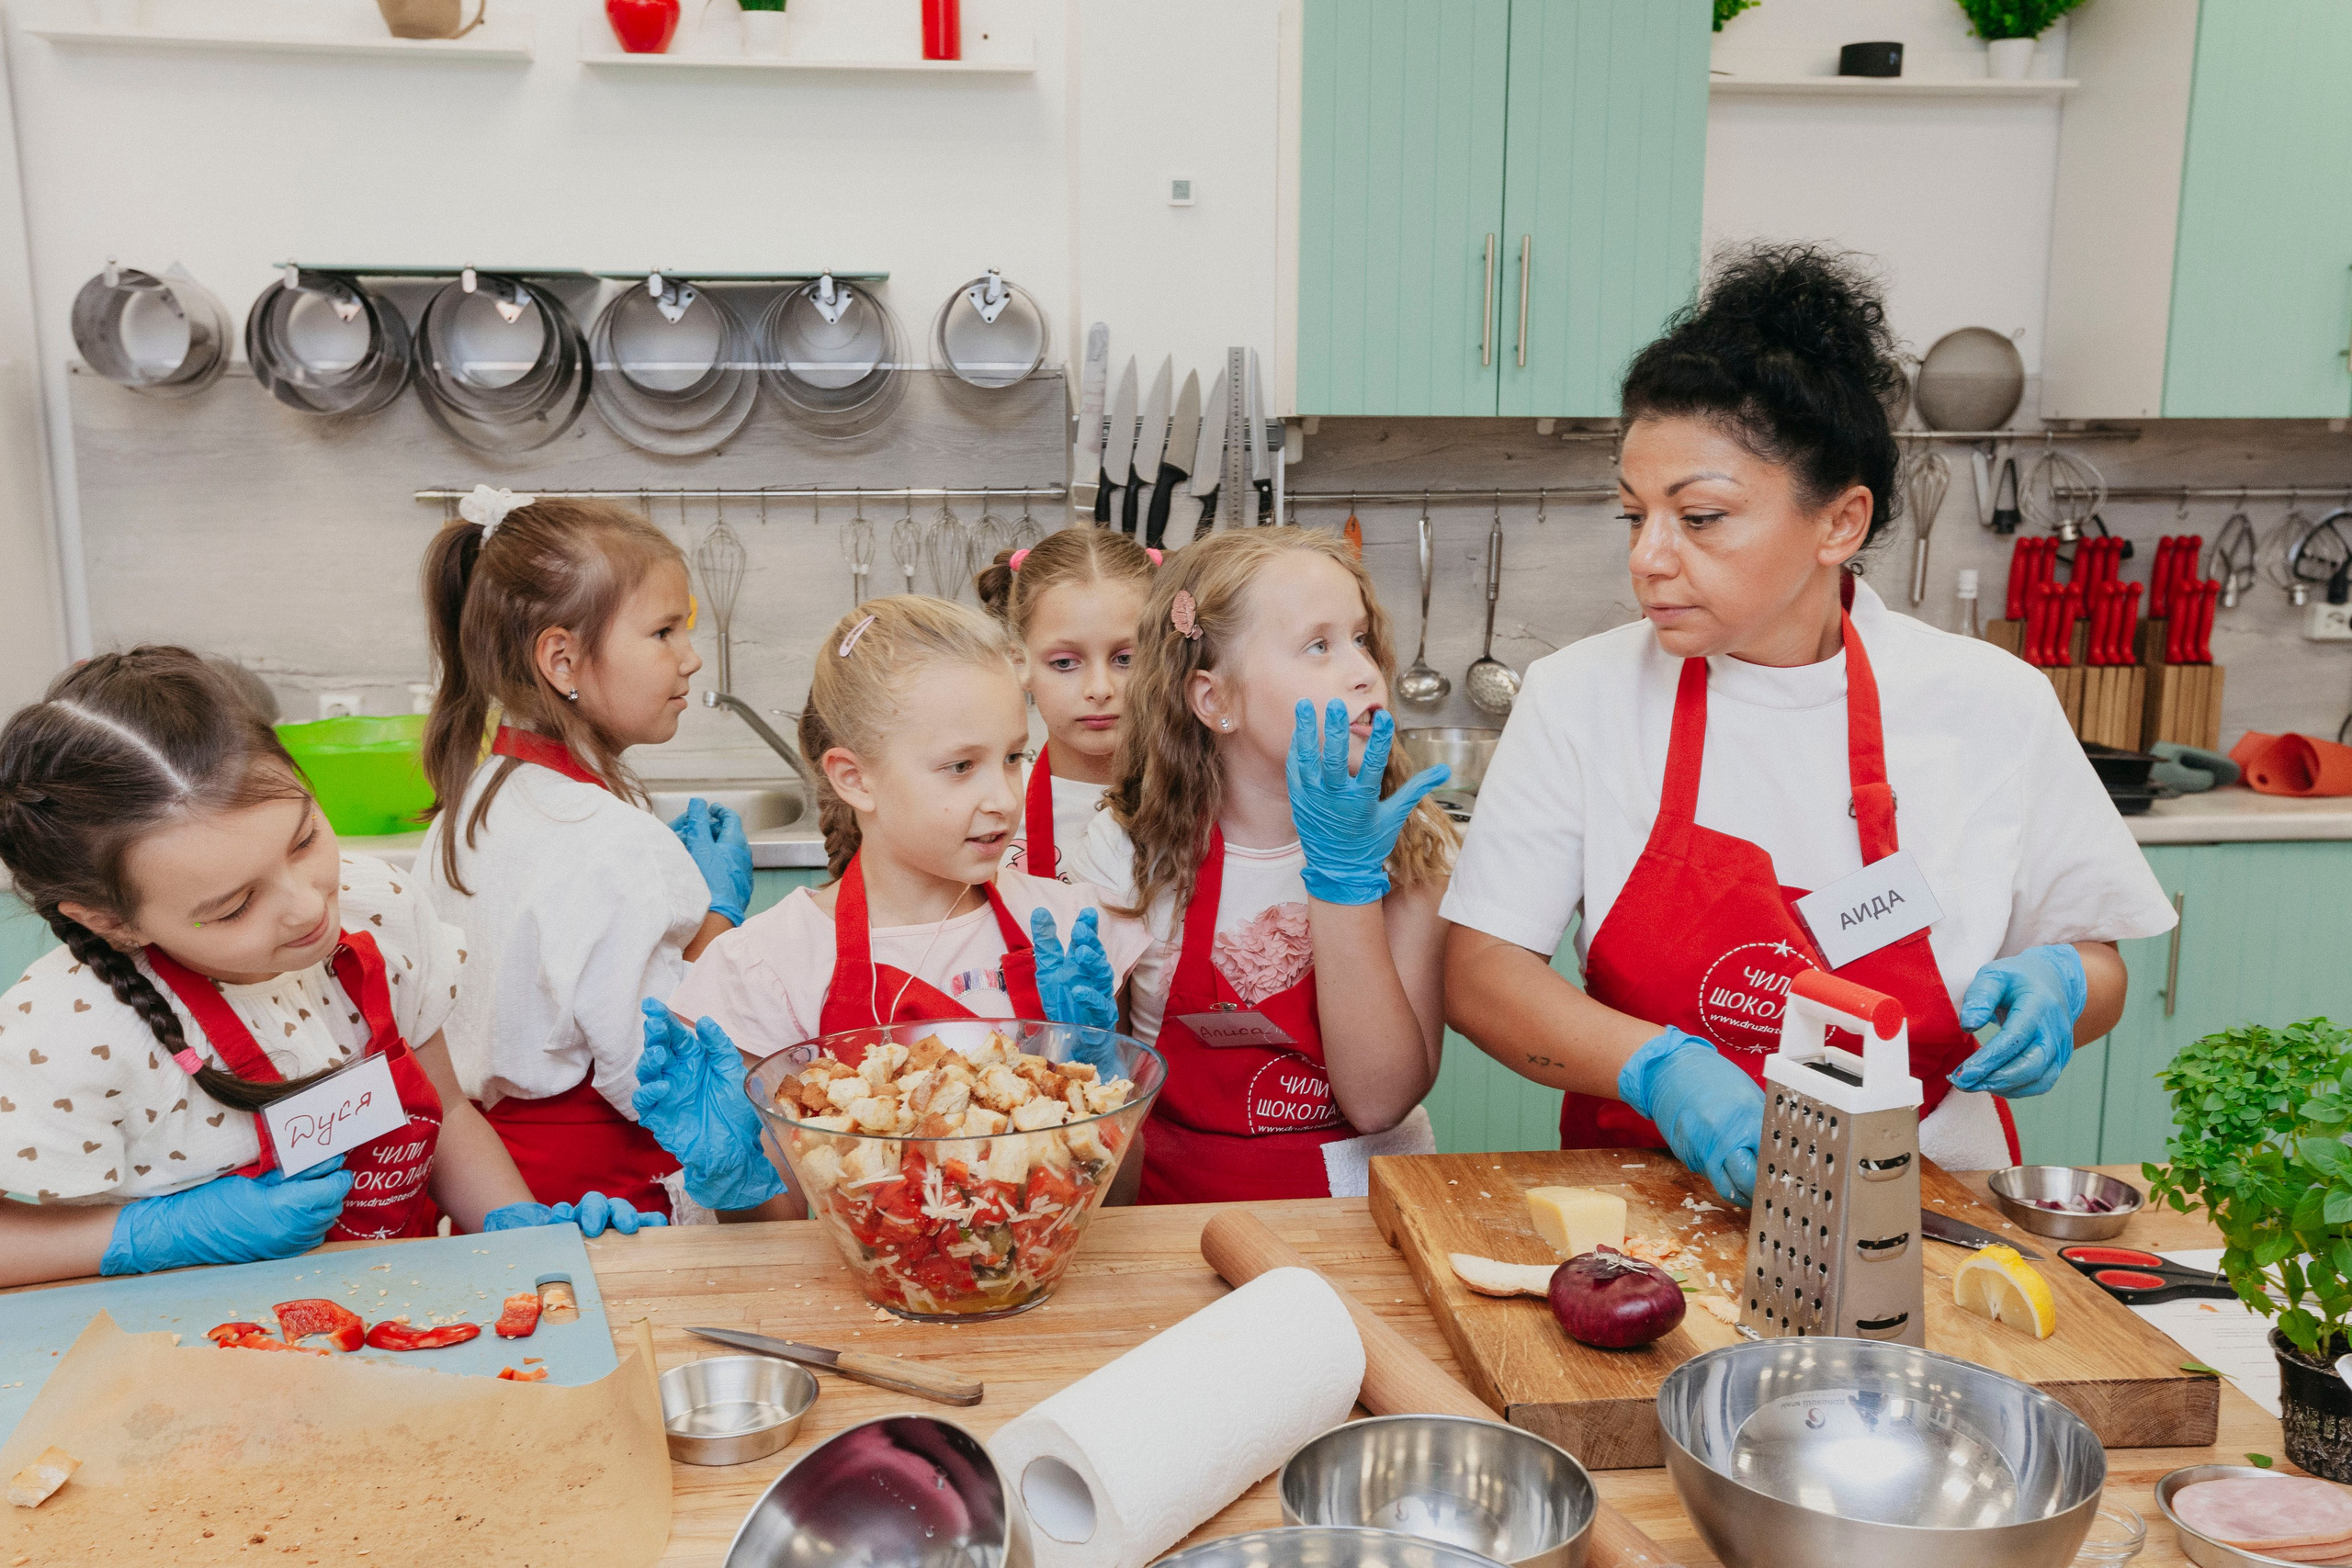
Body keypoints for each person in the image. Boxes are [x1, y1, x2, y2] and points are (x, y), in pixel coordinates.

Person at [1442, 244, 2177, 1204]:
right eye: (1633, 515)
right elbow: (1482, 974)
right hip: (1648, 1201)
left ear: (1839, 524)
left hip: (1927, 1199)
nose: (1649, 558)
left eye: (1699, 517)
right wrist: (1661, 1072)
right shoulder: (1579, 697)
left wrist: (2063, 991)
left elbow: (2095, 961)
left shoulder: (1988, 702)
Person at [0, 649, 655, 1290]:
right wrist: (157, 1232)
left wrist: (523, 1232)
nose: (309, 904)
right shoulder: (68, 1029)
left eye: (305, 838)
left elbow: (449, 1112)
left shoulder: (378, 910)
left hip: (398, 1320)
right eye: (234, 906)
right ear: (112, 921)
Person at [415, 487, 781, 1222]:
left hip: (492, 1192)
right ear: (562, 659)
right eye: (663, 632)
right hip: (612, 1206)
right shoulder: (612, 841)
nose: (691, 657)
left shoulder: (469, 803)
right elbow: (654, 1070)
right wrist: (716, 921)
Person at [1067, 528, 1455, 1203]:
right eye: (1319, 645)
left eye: (1362, 638)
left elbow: (1378, 1100)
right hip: (1174, 1214)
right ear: (1214, 700)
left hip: (1363, 1211)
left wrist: (1345, 882)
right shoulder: (1129, 849)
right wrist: (1084, 1047)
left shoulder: (1408, 841)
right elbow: (1109, 1097)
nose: (1364, 670)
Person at [669, 595, 1148, 1061]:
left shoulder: (1071, 933)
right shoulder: (770, 967)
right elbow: (776, 1142)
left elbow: (1132, 1143)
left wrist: (1102, 1081)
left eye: (1012, 758)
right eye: (961, 766)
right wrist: (750, 1146)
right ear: (855, 780)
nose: (1004, 798)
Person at [975, 529, 1160, 882]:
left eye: (1126, 659)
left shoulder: (1209, 799)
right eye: (1064, 663)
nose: (1100, 689)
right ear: (1019, 664)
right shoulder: (990, 811)